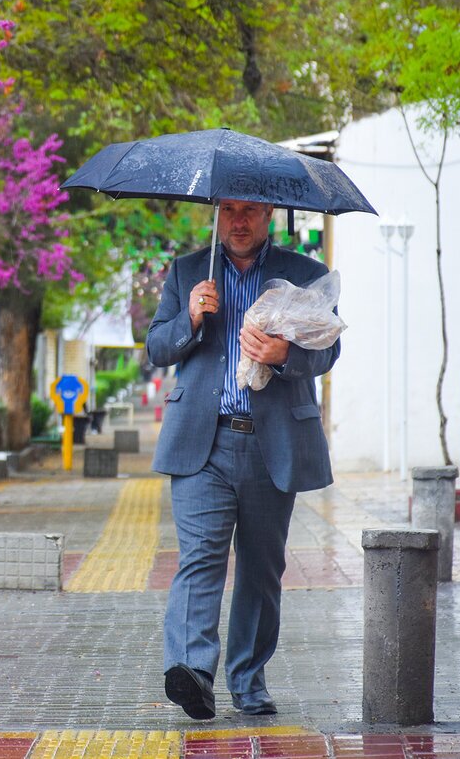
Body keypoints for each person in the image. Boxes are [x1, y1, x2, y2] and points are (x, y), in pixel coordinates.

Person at [145, 198, 339, 720]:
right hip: (202, 443)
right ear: (216, 214)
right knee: (201, 558)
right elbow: (156, 346)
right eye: (228, 209)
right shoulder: (189, 270)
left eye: (249, 210)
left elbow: (328, 348)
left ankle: (248, 680)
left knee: (260, 569)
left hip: (271, 442)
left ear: (269, 215)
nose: (238, 220)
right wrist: (189, 316)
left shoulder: (304, 275)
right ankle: (191, 673)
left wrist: (286, 356)